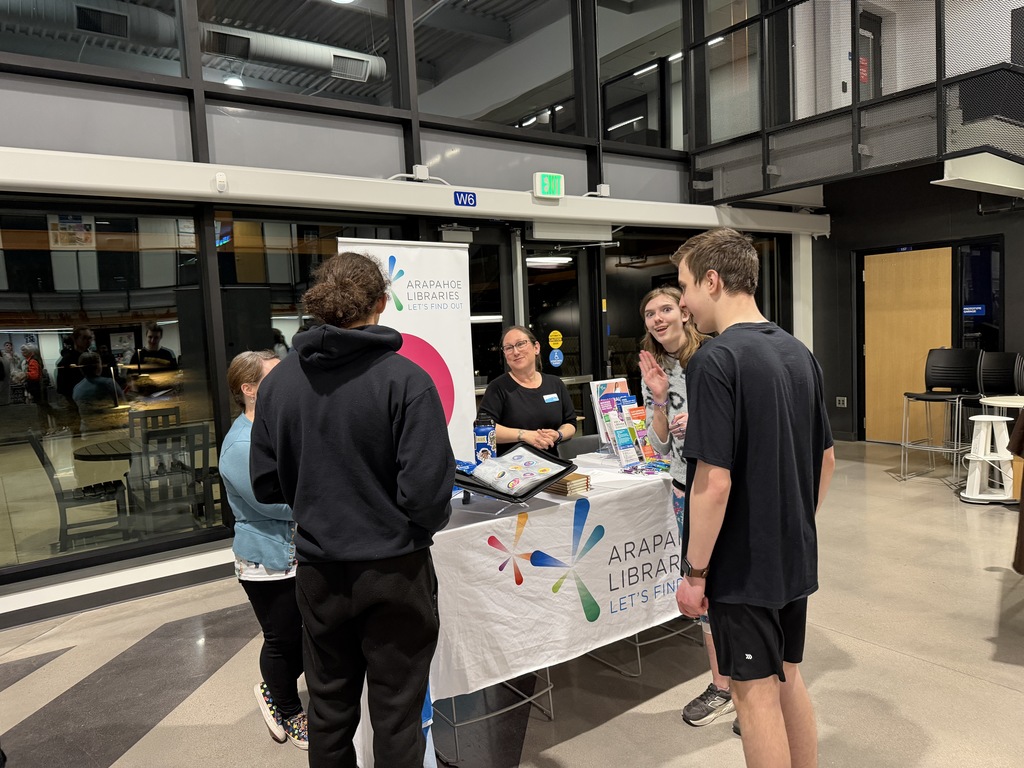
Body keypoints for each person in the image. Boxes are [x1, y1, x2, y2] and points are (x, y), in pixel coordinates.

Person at [250, 251, 455, 767]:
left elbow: (265, 483)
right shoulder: (406, 380)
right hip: (395, 573)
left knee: (329, 711)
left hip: (319, 573)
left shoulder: (278, 383)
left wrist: (319, 499)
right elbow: (428, 497)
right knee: (396, 716)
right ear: (382, 303)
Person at [674, 228, 835, 768]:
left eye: (686, 287)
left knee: (752, 692)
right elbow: (826, 460)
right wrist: (793, 524)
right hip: (794, 552)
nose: (684, 303)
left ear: (713, 281)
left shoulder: (715, 362)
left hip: (743, 565)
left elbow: (712, 481)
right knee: (788, 675)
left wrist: (695, 572)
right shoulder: (798, 353)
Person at [637, 287, 735, 729]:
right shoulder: (654, 369)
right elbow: (657, 444)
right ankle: (724, 686)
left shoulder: (714, 357)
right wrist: (658, 396)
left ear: (684, 311)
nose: (658, 319)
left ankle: (753, 687)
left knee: (737, 588)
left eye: (665, 309)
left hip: (721, 488)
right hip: (683, 490)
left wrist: (701, 425)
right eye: (649, 314)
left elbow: (739, 426)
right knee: (704, 592)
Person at [220, 350, 307, 751]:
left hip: (298, 548)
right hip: (267, 558)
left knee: (308, 632)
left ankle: (277, 686)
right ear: (250, 389)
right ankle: (286, 708)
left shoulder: (279, 424)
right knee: (283, 637)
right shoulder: (240, 444)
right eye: (274, 377)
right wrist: (329, 498)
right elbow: (271, 501)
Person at [478, 325, 576, 456]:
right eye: (508, 348)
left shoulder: (555, 384)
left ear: (536, 348)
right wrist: (523, 435)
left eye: (520, 344)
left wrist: (558, 435)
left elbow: (571, 423)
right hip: (513, 468)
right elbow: (484, 429)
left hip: (555, 464)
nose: (516, 352)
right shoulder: (497, 388)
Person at [56, 326, 94, 432]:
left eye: (90, 338)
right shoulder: (67, 359)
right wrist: (72, 401)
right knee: (77, 430)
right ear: (76, 340)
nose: (88, 341)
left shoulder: (91, 356)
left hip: (91, 400)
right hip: (76, 401)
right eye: (84, 338)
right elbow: (63, 385)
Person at [71, 351, 120, 434]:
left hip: (87, 431)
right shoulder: (109, 383)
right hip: (108, 431)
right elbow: (122, 405)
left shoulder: (77, 387)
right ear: (98, 366)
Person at [22, 344, 57, 432]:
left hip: (37, 389)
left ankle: (46, 427)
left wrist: (25, 374)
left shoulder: (33, 361)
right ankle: (49, 426)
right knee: (44, 408)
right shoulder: (34, 360)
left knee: (43, 408)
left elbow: (34, 375)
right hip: (38, 388)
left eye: (25, 351)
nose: (22, 353)